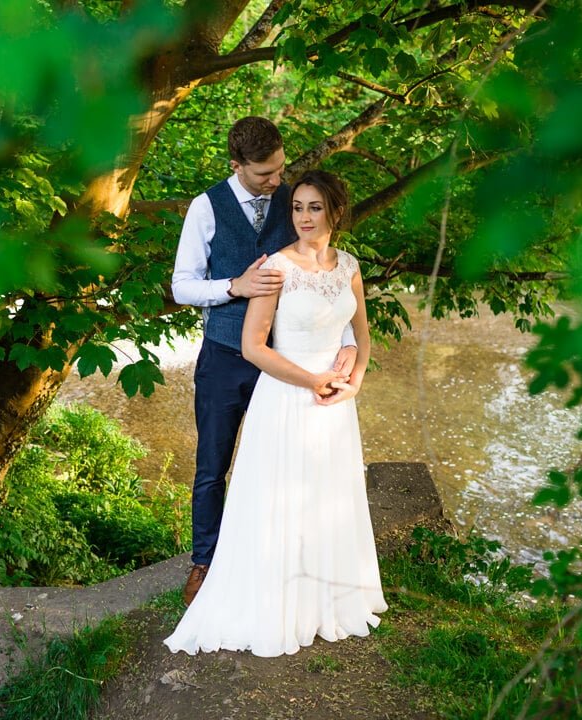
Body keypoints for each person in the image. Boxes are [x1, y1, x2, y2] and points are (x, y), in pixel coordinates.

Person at [164, 169, 387, 657]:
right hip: (288, 395)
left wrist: (355, 378)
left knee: (326, 496)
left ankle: (325, 596)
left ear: (336, 212)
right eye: (298, 208)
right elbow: (252, 345)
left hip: (334, 405)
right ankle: (236, 579)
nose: (304, 216)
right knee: (265, 492)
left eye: (314, 207)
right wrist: (312, 380)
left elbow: (361, 332)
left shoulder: (349, 265)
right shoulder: (276, 268)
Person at [171, 117, 356, 606]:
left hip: (288, 362)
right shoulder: (205, 207)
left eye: (280, 170)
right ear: (237, 166)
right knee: (213, 466)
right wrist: (234, 287)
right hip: (227, 356)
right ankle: (205, 562)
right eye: (264, 175)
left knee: (285, 467)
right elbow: (181, 285)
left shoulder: (299, 203)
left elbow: (324, 277)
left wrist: (346, 340)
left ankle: (281, 561)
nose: (277, 182)